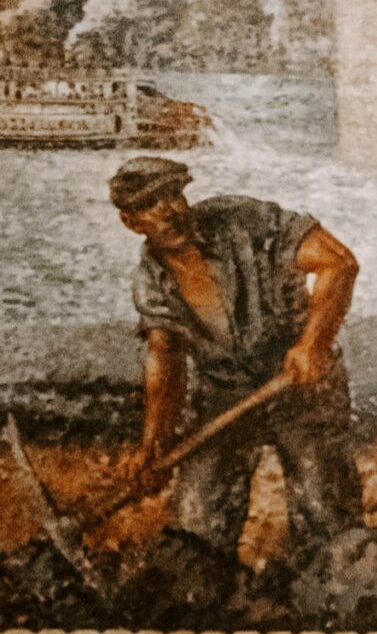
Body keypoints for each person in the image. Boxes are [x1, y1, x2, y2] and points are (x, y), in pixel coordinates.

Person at [109, 154, 363, 559]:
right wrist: (154, 444)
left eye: (172, 196)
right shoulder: (151, 282)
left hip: (300, 384)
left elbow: (339, 262)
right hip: (225, 396)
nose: (168, 211)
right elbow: (166, 361)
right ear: (131, 221)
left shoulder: (244, 220)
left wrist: (312, 344)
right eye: (149, 205)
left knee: (327, 518)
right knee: (198, 528)